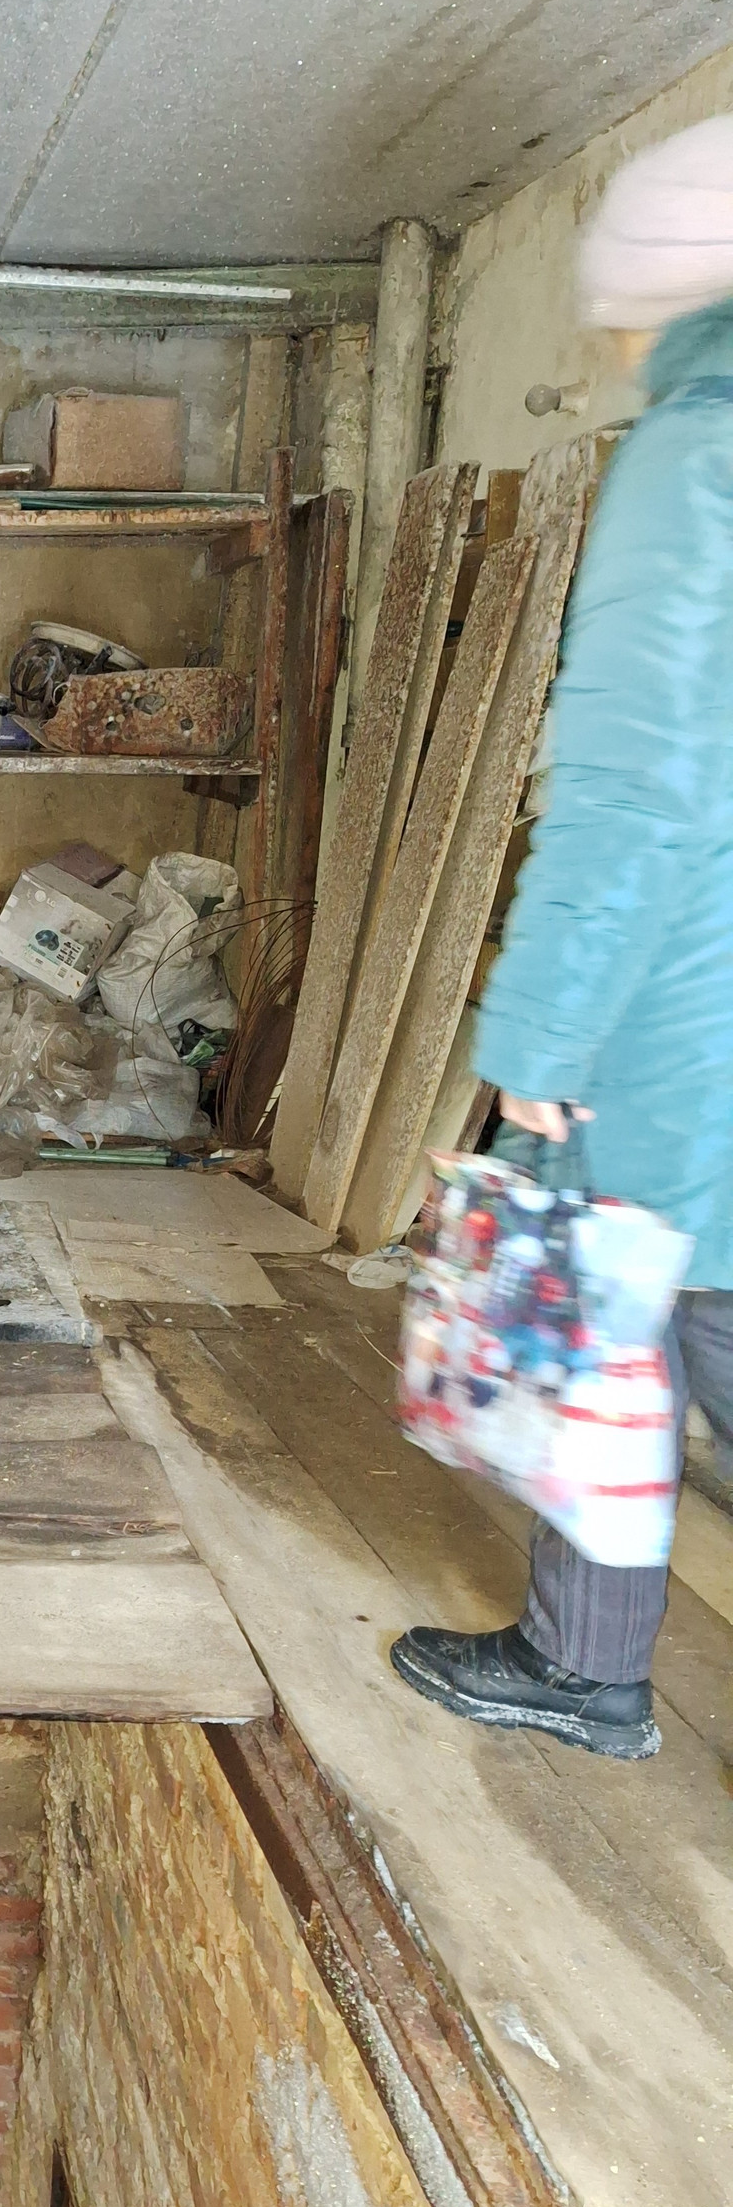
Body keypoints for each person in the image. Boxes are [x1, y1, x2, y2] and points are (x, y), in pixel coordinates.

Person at [390, 115, 733, 1762]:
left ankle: (586, 1670)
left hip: (682, 1030)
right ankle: (581, 1660)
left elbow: (628, 787)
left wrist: (538, 1032)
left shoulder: (694, 467)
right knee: (644, 1334)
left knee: (622, 1337)